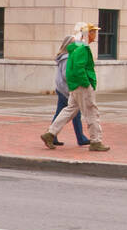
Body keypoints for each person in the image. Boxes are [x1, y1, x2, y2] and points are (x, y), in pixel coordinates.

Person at [41, 23, 110, 151]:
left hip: (75, 85)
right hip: (81, 86)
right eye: (93, 32)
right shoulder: (82, 48)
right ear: (87, 34)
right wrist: (86, 83)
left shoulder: (76, 47)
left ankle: (50, 134)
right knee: (91, 112)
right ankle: (96, 141)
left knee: (69, 110)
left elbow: (72, 69)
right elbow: (78, 68)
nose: (95, 34)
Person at [52, 35, 91, 148]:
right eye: (74, 43)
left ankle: (52, 135)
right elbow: (66, 75)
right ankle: (80, 138)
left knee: (60, 113)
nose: (76, 45)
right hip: (67, 90)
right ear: (68, 45)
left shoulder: (64, 57)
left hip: (62, 89)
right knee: (75, 113)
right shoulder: (67, 58)